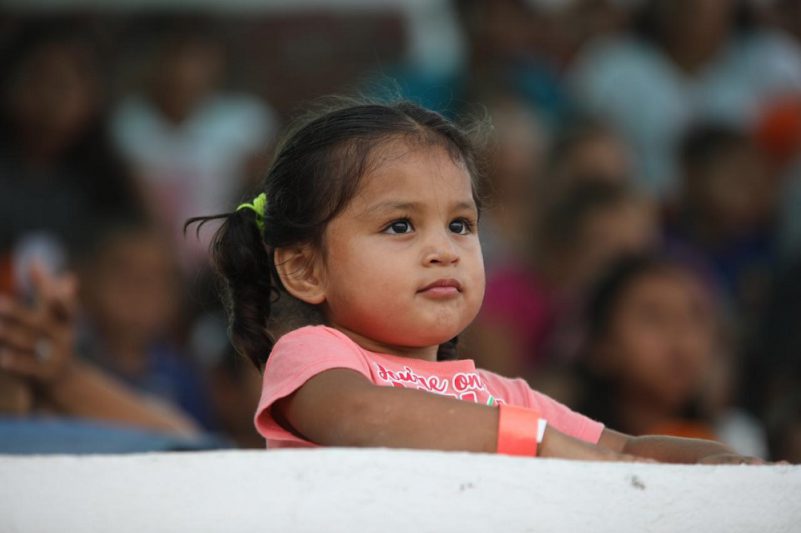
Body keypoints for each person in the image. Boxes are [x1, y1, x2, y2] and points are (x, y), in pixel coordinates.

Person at [188, 100, 765, 463]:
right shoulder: (316, 357)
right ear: (304, 269)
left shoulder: (503, 396)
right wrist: (534, 441)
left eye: (460, 225)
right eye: (400, 225)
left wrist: (724, 464)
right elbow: (360, 417)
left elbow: (625, 448)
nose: (443, 250)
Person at [569, 254, 768, 458]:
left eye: (694, 316)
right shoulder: (565, 441)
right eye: (653, 318)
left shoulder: (736, 439)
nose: (682, 341)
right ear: (602, 345)